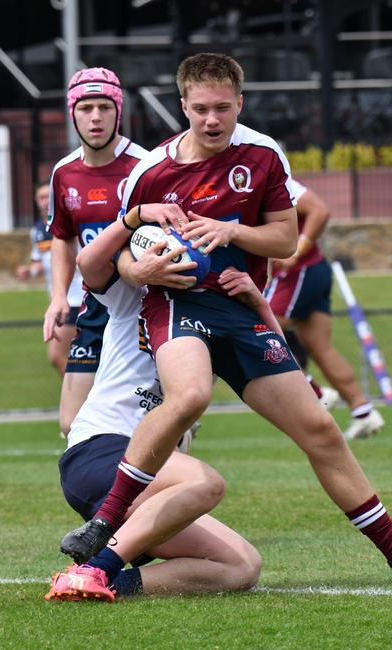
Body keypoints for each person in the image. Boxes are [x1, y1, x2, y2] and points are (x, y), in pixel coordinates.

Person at [59, 52, 392, 586]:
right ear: (183, 107)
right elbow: (114, 260)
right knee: (191, 396)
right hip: (178, 302)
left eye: (223, 108)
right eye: (200, 109)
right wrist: (142, 266)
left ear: (240, 103)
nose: (212, 120)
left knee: (320, 428)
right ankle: (103, 529)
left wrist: (231, 233)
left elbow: (286, 239)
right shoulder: (151, 172)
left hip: (237, 307)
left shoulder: (264, 155)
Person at [45, 215, 266, 602]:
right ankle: (101, 563)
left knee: (243, 566)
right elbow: (88, 262)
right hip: (99, 450)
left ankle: (102, 582)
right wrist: (133, 218)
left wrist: (257, 302)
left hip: (150, 484)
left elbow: (277, 361)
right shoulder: (136, 291)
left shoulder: (220, 320)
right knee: (204, 483)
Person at [43, 67, 148, 435]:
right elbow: (62, 236)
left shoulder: (144, 167)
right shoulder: (64, 172)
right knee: (71, 423)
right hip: (95, 307)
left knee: (146, 426)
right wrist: (58, 296)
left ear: (119, 111)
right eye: (85, 108)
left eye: (104, 106)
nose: (96, 117)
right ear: (72, 114)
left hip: (144, 310)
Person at [264, 180, 385, 439]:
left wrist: (296, 253)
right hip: (313, 269)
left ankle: (317, 393)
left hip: (299, 270)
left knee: (262, 330)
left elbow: (319, 210)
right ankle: (364, 412)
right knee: (319, 346)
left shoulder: (267, 172)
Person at [16, 182, 84, 376]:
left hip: (77, 300)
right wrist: (30, 271)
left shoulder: (72, 222)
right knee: (79, 357)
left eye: (49, 196)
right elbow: (41, 261)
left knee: (57, 356)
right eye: (41, 197)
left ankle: (86, 399)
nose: (45, 201)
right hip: (60, 302)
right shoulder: (37, 230)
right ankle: (86, 398)